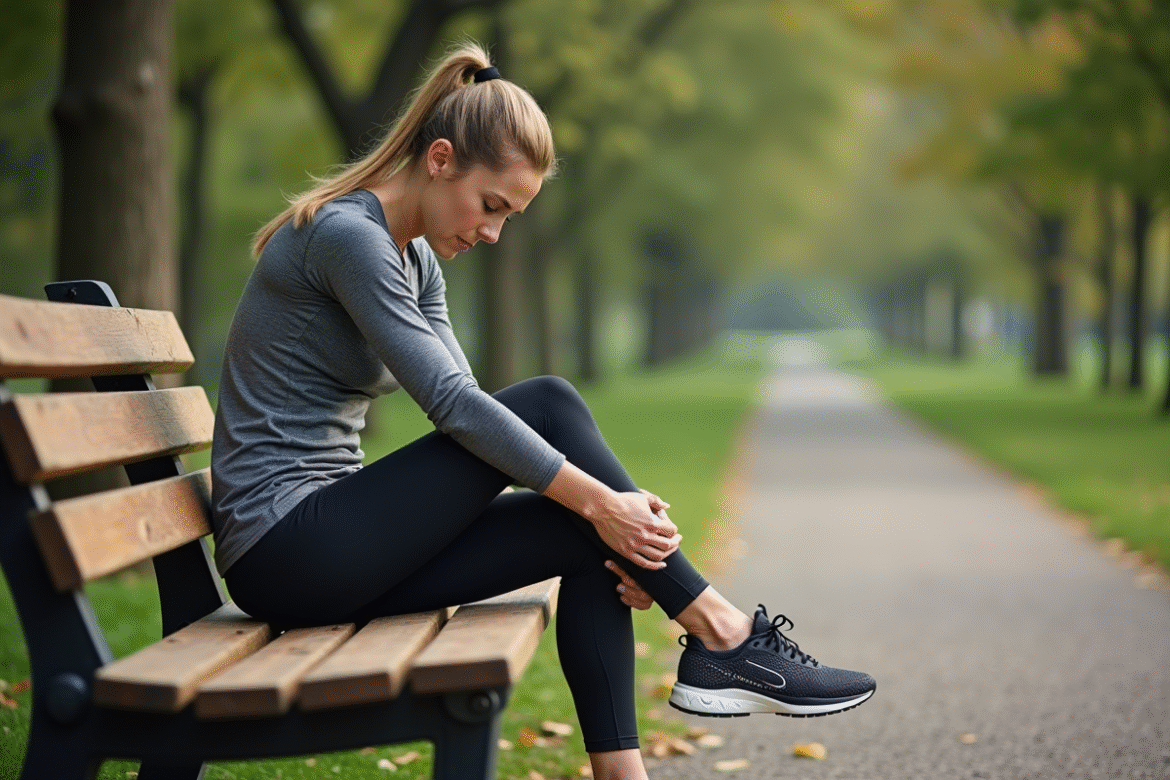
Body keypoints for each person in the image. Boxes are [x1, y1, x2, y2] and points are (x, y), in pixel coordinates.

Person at [211, 41, 875, 780]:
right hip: (284, 547)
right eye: (491, 205)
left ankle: (629, 768)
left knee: (589, 536)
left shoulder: (417, 257)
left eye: (511, 216)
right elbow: (456, 408)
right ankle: (720, 630)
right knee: (553, 409)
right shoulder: (345, 237)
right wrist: (607, 503)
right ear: (438, 160)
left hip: (339, 545)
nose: (493, 233)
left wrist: (613, 523)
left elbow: (471, 414)